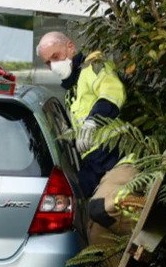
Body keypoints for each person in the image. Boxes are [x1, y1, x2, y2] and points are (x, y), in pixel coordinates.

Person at [37, 31, 125, 196]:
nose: (53, 65)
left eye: (56, 56)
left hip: (115, 156)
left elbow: (112, 93)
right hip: (93, 163)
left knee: (104, 210)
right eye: (48, 63)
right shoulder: (72, 89)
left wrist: (93, 121)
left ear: (71, 47)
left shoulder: (93, 66)